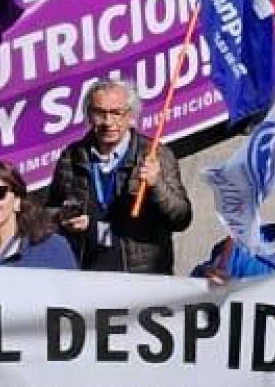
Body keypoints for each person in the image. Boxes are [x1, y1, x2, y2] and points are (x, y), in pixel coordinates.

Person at [46, 78, 192, 273]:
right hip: (86, 276)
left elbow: (181, 218)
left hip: (141, 279)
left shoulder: (154, 154)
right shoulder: (71, 156)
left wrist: (156, 185)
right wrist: (63, 220)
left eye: (116, 113)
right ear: (89, 114)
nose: (108, 122)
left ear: (130, 115)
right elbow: (49, 212)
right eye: (100, 113)